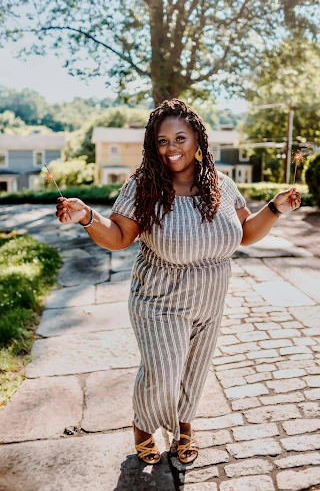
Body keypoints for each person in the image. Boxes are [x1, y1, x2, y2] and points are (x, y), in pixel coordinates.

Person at [56, 98, 301, 465]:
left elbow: (245, 233)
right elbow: (120, 236)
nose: (172, 148)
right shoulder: (143, 185)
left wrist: (276, 208)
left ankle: (184, 430)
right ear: (153, 146)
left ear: (198, 140)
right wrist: (88, 217)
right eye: (162, 140)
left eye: (180, 138)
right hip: (159, 298)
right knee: (163, 372)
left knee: (195, 369)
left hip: (211, 296)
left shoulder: (222, 185)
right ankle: (144, 428)